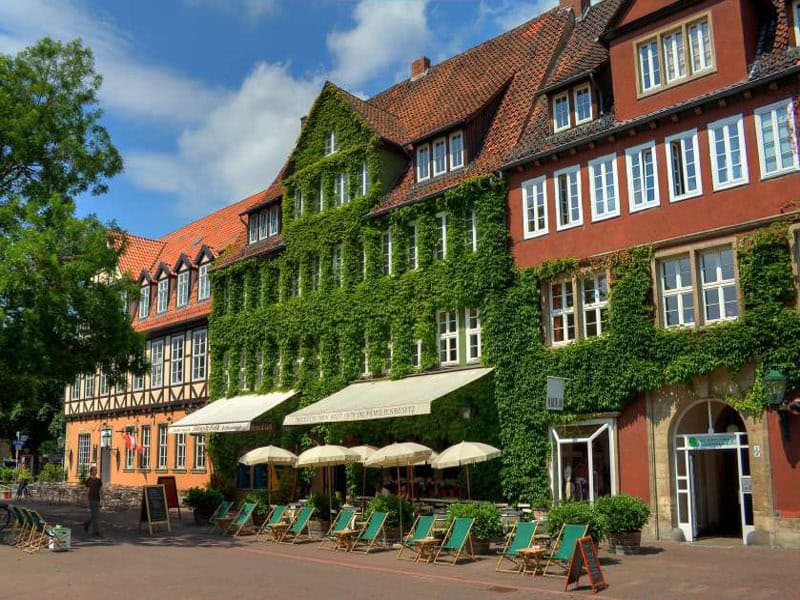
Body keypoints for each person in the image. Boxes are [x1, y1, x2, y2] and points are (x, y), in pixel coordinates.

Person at [83, 466, 102, 536]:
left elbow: (100, 490)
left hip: (97, 498)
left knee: (95, 515)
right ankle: (95, 532)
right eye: (94, 470)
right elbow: (86, 490)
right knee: (95, 515)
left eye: (96, 470)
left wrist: (102, 499)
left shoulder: (98, 480)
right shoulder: (88, 480)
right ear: (91, 472)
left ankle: (87, 523)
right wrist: (85, 499)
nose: (95, 471)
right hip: (91, 499)